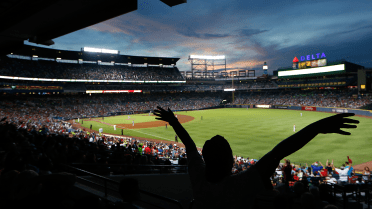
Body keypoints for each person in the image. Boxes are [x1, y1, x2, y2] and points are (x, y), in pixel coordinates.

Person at [153, 106, 358, 209]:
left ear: (205, 159)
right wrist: (318, 127)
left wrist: (173, 121)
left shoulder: (197, 178)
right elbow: (280, 151)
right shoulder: (241, 184)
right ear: (231, 161)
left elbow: (189, 146)